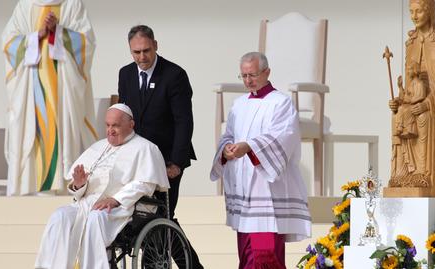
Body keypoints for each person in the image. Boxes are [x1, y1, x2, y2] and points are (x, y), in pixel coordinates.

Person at [34, 104, 169, 269]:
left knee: (95, 218)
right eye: (107, 125)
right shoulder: (98, 147)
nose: (110, 130)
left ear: (131, 125)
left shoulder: (146, 148)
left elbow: (145, 184)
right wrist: (79, 184)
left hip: (124, 208)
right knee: (60, 215)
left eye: (116, 126)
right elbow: (78, 192)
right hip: (87, 204)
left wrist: (116, 199)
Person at [210, 52, 311, 269]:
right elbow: (229, 134)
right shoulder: (239, 104)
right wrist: (226, 149)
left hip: (267, 190)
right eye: (244, 75)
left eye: (253, 75)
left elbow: (282, 138)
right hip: (244, 185)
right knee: (246, 252)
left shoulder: (281, 102)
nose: (248, 80)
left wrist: (250, 147)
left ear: (267, 72)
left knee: (265, 253)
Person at [117, 25, 202, 268]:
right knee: (148, 217)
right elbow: (125, 116)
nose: (141, 57)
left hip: (167, 159)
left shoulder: (174, 75)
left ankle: (158, 264)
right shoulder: (126, 74)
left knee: (160, 216)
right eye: (136, 52)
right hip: (137, 160)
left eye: (146, 50)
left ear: (156, 45)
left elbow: (184, 121)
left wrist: (176, 162)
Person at [2, 0, 98, 196]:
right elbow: (8, 42)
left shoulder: (71, 4)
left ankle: (64, 187)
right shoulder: (26, 5)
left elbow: (87, 41)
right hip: (31, 86)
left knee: (62, 127)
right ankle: (30, 187)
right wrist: (36, 36)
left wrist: (59, 31)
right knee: (32, 127)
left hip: (63, 87)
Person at [389, 0, 435, 188]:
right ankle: (402, 173)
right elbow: (410, 87)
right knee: (398, 115)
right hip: (414, 100)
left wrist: (426, 104)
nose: (414, 16)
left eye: (419, 12)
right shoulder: (411, 43)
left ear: (429, 12)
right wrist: (399, 100)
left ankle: (423, 173)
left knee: (422, 117)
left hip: (434, 105)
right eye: (411, 11)